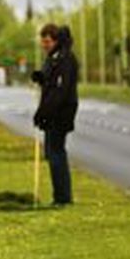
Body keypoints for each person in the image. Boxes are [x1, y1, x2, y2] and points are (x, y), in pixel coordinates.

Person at [32, 23, 79, 206]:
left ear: (56, 40)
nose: (44, 45)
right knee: (51, 153)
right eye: (42, 42)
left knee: (56, 152)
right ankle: (60, 195)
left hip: (61, 111)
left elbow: (60, 91)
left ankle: (63, 198)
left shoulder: (66, 59)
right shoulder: (53, 57)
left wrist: (43, 112)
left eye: (48, 42)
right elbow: (50, 82)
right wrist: (40, 77)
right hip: (52, 110)